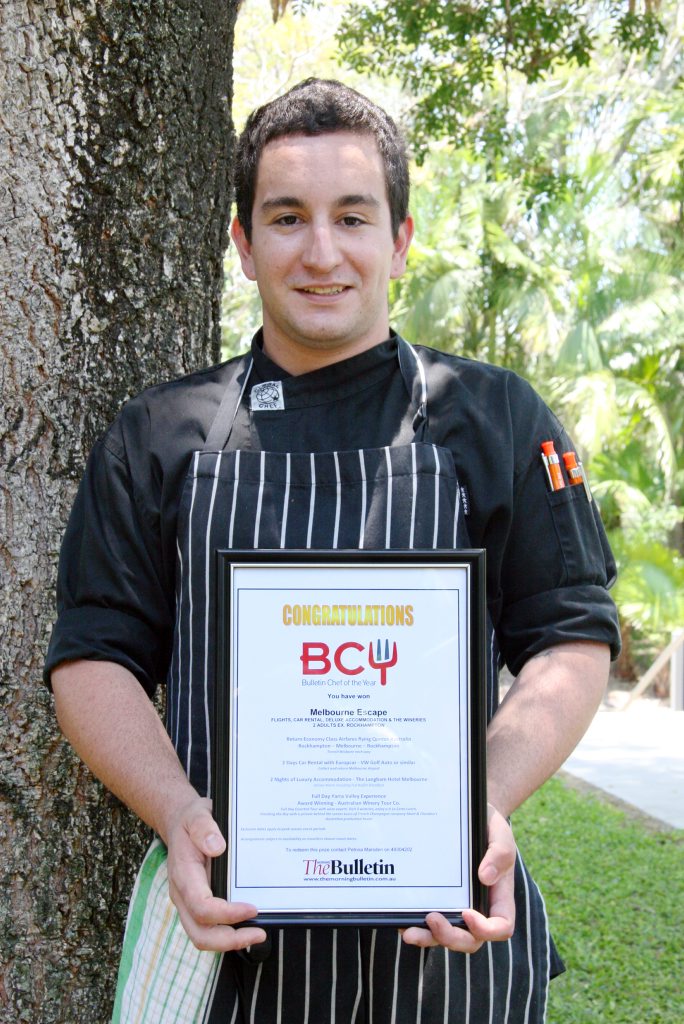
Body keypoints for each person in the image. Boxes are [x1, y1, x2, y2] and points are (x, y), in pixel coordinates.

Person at [46, 78, 620, 1023]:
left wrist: (477, 807)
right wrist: (179, 815)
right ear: (242, 244)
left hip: (445, 943)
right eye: (286, 218)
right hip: (229, 941)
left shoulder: (496, 419)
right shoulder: (161, 434)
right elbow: (93, 654)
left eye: (353, 217)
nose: (321, 252)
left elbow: (571, 638)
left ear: (399, 239)